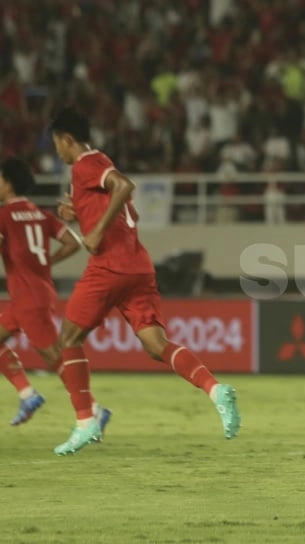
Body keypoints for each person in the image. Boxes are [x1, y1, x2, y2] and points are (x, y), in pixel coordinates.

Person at [48, 106, 241, 456]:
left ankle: (86, 422)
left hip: (109, 266)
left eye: (56, 144)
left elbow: (125, 186)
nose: (57, 151)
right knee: (155, 345)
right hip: (138, 265)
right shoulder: (99, 163)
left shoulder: (85, 165)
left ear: (67, 140)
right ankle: (216, 390)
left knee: (68, 340)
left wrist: (96, 231)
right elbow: (129, 212)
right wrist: (81, 213)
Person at [0, 158, 113, 429]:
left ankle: (94, 410)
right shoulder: (41, 214)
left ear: (8, 183)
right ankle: (27, 394)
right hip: (38, 291)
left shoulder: (3, 216)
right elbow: (73, 242)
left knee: (55, 356)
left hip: (27, 296)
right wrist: (47, 262)